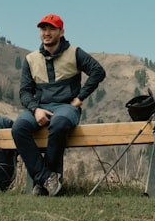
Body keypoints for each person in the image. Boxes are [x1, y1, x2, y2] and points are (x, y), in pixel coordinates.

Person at [12, 13, 106, 196]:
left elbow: (98, 71)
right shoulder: (31, 59)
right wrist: (35, 109)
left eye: (51, 29)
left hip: (66, 108)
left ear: (61, 32)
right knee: (18, 128)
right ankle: (46, 177)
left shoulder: (74, 52)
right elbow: (24, 92)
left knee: (60, 123)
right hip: (39, 107)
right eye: (43, 29)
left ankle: (43, 181)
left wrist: (80, 98)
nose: (46, 33)